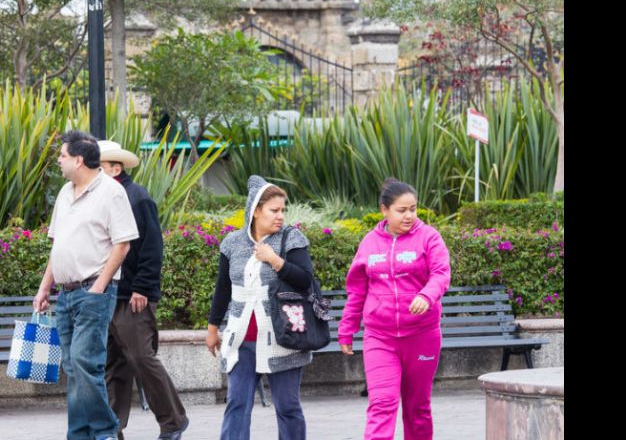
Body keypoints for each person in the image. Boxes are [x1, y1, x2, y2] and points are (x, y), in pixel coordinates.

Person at [33, 131, 139, 440]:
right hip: (65, 294)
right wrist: (44, 288)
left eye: (62, 156)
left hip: (93, 290)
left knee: (85, 362)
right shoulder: (66, 193)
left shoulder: (111, 192)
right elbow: (59, 246)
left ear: (79, 160)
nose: (58, 160)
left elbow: (123, 245)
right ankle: (79, 435)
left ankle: (106, 431)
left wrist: (98, 288)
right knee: (74, 367)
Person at [338, 179, 451, 440]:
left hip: (422, 336)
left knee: (417, 409)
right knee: (381, 404)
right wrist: (347, 330)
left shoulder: (429, 237)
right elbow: (357, 291)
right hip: (380, 338)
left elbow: (441, 273)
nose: (409, 215)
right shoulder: (369, 243)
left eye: (413, 209)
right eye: (402, 210)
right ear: (384, 210)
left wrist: (427, 295)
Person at [206, 175, 314, 440]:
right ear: (255, 211)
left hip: (283, 338)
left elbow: (304, 280)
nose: (280, 216)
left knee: (287, 407)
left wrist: (275, 260)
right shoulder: (232, 243)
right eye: (274, 210)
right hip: (242, 339)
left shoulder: (291, 239)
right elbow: (223, 289)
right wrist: (212, 328)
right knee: (237, 404)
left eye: (282, 211)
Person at [97, 141, 189, 440]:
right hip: (109, 294)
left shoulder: (136, 198)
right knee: (113, 364)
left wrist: (143, 289)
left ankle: (173, 421)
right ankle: (112, 430)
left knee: (140, 358)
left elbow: (152, 248)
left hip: (131, 296)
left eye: (99, 167)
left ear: (115, 168)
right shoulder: (105, 198)